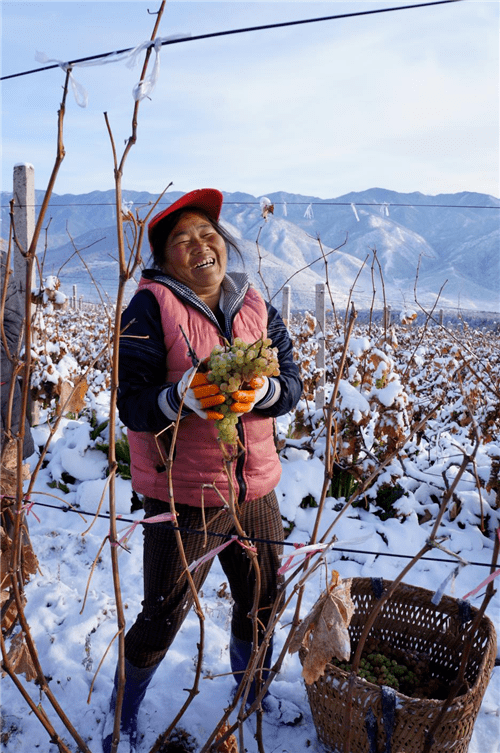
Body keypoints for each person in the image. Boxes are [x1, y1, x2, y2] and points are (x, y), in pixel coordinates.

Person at [103, 189, 302, 751]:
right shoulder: (149, 307)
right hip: (182, 491)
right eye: (181, 240)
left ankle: (252, 690)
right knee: (162, 614)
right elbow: (133, 402)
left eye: (208, 233)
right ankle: (124, 707)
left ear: (224, 244)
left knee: (262, 597)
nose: (200, 245)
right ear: (164, 260)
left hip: (255, 486)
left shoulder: (255, 303)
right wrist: (181, 398)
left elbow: (292, 384)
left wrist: (264, 390)